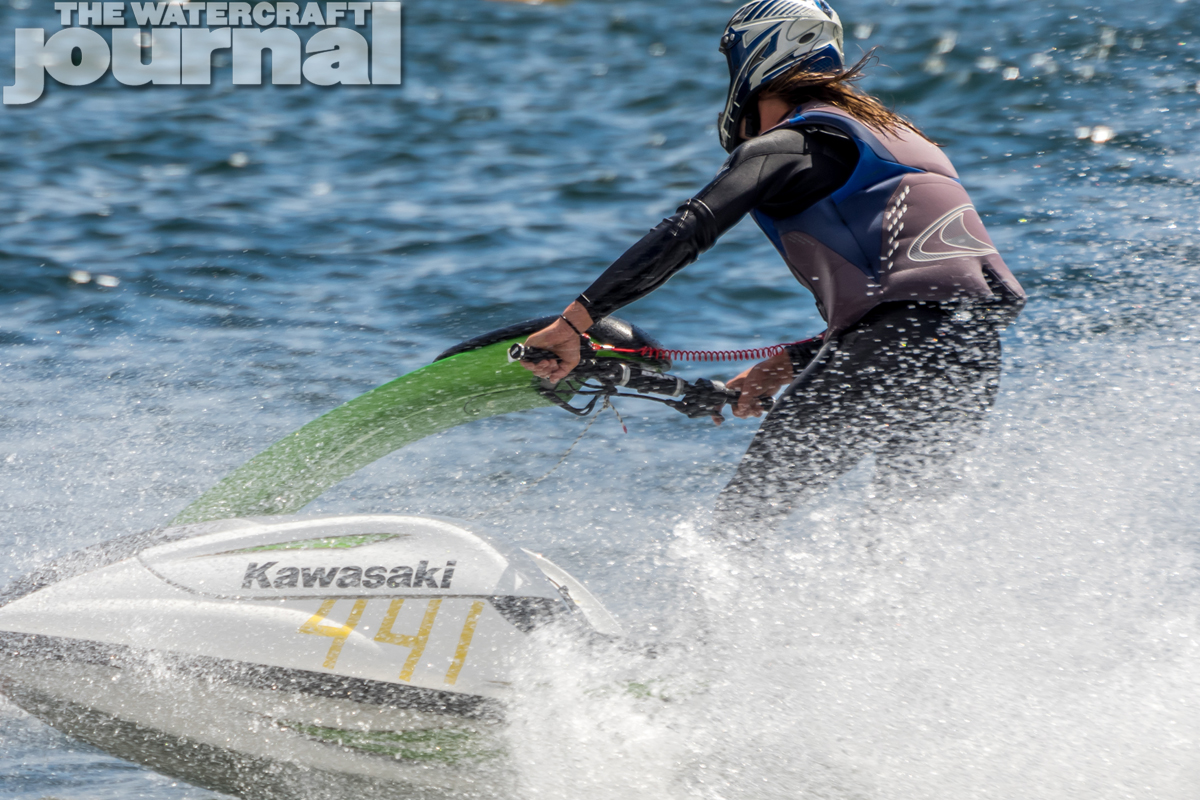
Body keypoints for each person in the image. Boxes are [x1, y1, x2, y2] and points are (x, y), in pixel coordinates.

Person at [521, 0, 1025, 538]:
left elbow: (688, 229)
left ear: (755, 57)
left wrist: (574, 322)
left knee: (736, 529)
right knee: (898, 541)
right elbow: (929, 310)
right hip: (972, 358)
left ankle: (697, 625)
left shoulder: (792, 143)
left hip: (894, 347)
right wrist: (788, 364)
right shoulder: (896, 139)